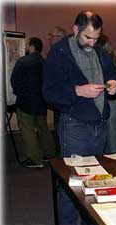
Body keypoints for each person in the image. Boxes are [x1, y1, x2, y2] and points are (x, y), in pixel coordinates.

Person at [42, 10, 116, 225]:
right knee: (72, 184)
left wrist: (115, 83)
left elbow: (114, 72)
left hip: (100, 126)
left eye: (97, 38)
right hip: (74, 126)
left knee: (94, 182)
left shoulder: (99, 51)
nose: (92, 43)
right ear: (75, 30)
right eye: (87, 37)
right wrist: (77, 91)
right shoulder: (59, 53)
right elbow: (49, 92)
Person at [11, 37, 55, 168]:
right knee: (43, 128)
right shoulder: (45, 62)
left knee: (28, 130)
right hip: (41, 101)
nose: (24, 47)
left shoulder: (22, 61)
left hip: (26, 102)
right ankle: (50, 154)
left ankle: (35, 159)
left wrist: (20, 94)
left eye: (26, 45)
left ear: (31, 47)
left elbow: (15, 82)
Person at [47, 26, 67, 154]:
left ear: (60, 37)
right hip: (58, 98)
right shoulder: (56, 51)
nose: (49, 39)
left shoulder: (62, 52)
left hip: (64, 98)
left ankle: (63, 155)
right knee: (58, 128)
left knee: (63, 129)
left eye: (52, 36)